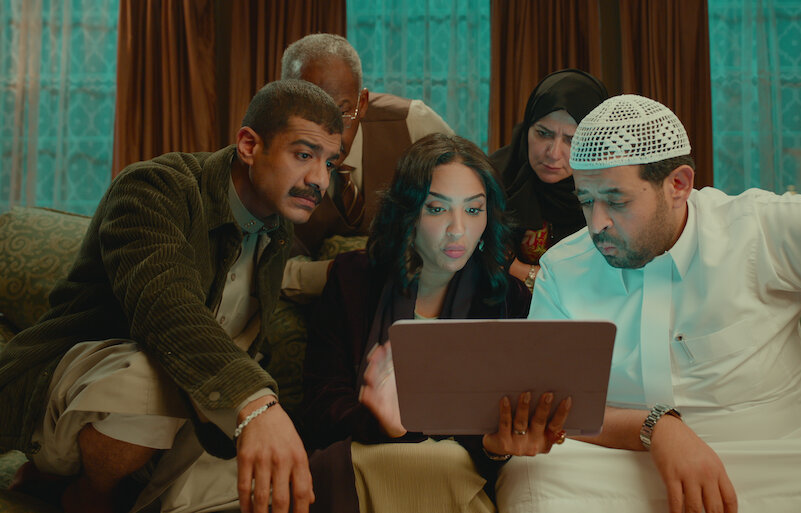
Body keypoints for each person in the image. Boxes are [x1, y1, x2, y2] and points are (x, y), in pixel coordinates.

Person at [495, 94, 801, 512]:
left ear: (678, 185)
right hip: (638, 464)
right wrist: (656, 429)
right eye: (586, 201)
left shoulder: (758, 230)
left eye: (617, 201)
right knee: (535, 476)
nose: (597, 223)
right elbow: (555, 406)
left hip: (787, 459)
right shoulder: (564, 269)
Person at [0, 79, 343, 513]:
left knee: (270, 487)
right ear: (249, 145)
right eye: (304, 155)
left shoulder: (278, 226)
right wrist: (256, 403)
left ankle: (98, 488)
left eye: (330, 163)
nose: (319, 180)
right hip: (76, 396)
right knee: (152, 374)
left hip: (188, 409)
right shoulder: (154, 186)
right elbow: (165, 309)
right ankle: (89, 492)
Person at [295, 133, 571, 513]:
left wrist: (493, 446)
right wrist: (380, 423)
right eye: (437, 209)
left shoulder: (506, 297)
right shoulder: (353, 279)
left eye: (473, 210)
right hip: (362, 467)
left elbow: (499, 431)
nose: (457, 229)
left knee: (448, 462)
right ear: (407, 213)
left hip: (458, 475)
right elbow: (318, 409)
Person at [280, 33, 455, 298]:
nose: (327, 134)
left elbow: (475, 193)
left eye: (341, 113)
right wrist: (343, 273)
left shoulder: (413, 124)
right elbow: (264, 272)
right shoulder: (269, 155)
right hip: (313, 295)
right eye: (308, 114)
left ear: (362, 103)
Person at [488, 68, 608, 292]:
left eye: (572, 140)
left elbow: (605, 279)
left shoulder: (612, 192)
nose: (553, 153)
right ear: (527, 128)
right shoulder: (490, 178)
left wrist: (521, 272)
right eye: (543, 134)